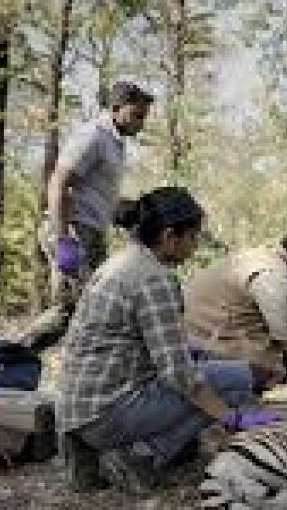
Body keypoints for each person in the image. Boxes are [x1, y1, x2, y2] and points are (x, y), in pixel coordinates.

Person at [57, 187, 257, 493]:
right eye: (193, 237)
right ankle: (141, 455)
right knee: (236, 381)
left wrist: (198, 355)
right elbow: (180, 375)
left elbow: (139, 340)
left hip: (79, 406)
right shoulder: (154, 278)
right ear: (168, 236)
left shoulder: (121, 263)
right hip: (105, 412)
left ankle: (112, 448)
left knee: (217, 372)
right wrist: (232, 417)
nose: (195, 246)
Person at [23, 81, 154, 352]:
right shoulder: (93, 136)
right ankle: (7, 359)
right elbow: (59, 181)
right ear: (116, 109)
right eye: (137, 115)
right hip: (72, 231)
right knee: (82, 309)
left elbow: (94, 193)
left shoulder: (115, 144)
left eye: (144, 116)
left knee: (87, 309)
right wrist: (63, 240)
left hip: (92, 232)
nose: (141, 123)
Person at [183, 223, 287, 387]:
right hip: (210, 350)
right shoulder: (277, 278)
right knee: (273, 370)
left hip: (197, 337)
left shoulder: (260, 257)